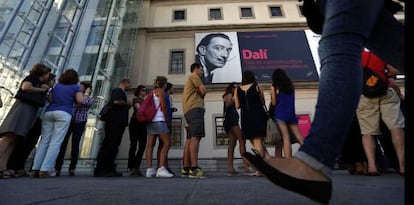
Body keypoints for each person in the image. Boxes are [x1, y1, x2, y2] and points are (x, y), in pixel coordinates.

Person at [242, 0, 404, 203]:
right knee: (392, 43)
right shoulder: (288, 85)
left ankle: (314, 161)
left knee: (338, 43)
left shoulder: (271, 86)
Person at [31, 69, 87, 178]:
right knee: (55, 142)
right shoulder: (76, 87)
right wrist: (85, 95)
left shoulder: (56, 86)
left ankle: (35, 168)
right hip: (64, 113)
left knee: (44, 141)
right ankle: (45, 170)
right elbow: (80, 100)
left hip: (49, 112)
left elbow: (50, 99)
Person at [356, 49, 405, 176]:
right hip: (385, 90)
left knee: (368, 132)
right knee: (396, 127)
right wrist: (383, 73)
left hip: (365, 95)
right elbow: (395, 70)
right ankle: (402, 165)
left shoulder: (355, 56)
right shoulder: (380, 54)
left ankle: (372, 166)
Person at [0, 63, 51, 179]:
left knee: (14, 139)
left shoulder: (39, 81)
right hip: (23, 109)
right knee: (9, 137)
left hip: (27, 110)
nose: (49, 76)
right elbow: (25, 87)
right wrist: (40, 90)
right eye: (48, 73)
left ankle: (2, 167)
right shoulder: (33, 78)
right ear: (43, 73)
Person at [54, 81, 94, 176]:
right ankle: (57, 167)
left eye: (81, 87)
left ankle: (72, 167)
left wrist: (87, 93)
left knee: (75, 145)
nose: (79, 88)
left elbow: (84, 102)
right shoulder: (73, 95)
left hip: (80, 122)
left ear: (87, 88)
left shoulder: (90, 98)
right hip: (70, 121)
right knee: (63, 143)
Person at [94, 79, 132, 177]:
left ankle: (110, 168)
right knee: (109, 144)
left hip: (118, 122)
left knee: (114, 145)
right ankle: (101, 168)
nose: (130, 86)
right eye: (129, 84)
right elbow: (115, 101)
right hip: (114, 121)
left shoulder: (121, 93)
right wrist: (126, 103)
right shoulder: (117, 91)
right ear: (124, 83)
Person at [234, 71, 270, 162]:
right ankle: (266, 162)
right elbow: (263, 102)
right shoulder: (257, 86)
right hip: (258, 115)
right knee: (258, 141)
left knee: (253, 140)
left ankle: (263, 164)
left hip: (246, 117)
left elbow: (237, 106)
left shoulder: (237, 89)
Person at [270, 69, 304, 158]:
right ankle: (310, 157)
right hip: (291, 114)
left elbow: (273, 103)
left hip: (280, 114)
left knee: (285, 137)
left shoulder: (275, 87)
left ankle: (288, 159)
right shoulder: (290, 86)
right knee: (299, 137)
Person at [181, 63, 207, 178]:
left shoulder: (189, 79)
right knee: (196, 137)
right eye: (201, 69)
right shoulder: (194, 76)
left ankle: (186, 168)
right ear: (196, 69)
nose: (202, 71)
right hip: (195, 109)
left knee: (190, 138)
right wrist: (201, 92)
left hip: (188, 111)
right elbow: (203, 91)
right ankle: (194, 168)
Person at [145, 76, 173, 178]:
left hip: (151, 121)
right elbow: (163, 106)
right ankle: (161, 168)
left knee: (150, 145)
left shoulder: (151, 93)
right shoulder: (161, 91)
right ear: (164, 84)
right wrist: (167, 120)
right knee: (167, 143)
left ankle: (149, 169)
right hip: (160, 120)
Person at [222, 82, 251, 176]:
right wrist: (235, 96)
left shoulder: (233, 95)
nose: (237, 89)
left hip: (232, 119)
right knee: (242, 140)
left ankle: (230, 169)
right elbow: (228, 104)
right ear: (231, 88)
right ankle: (246, 167)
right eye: (235, 87)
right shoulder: (228, 95)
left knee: (232, 144)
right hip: (231, 120)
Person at [127, 85, 147, 176]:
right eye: (143, 90)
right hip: (135, 122)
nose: (144, 92)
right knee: (133, 145)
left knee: (142, 146)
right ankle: (131, 167)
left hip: (143, 123)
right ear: (138, 91)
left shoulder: (145, 101)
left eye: (145, 90)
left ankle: (136, 167)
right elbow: (139, 109)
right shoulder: (135, 99)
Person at [156, 82, 176, 175]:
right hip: (165, 122)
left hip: (164, 121)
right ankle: (162, 166)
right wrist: (168, 121)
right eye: (172, 88)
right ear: (168, 88)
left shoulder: (167, 97)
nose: (174, 90)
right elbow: (165, 109)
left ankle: (161, 165)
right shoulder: (166, 97)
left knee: (162, 145)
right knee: (165, 144)